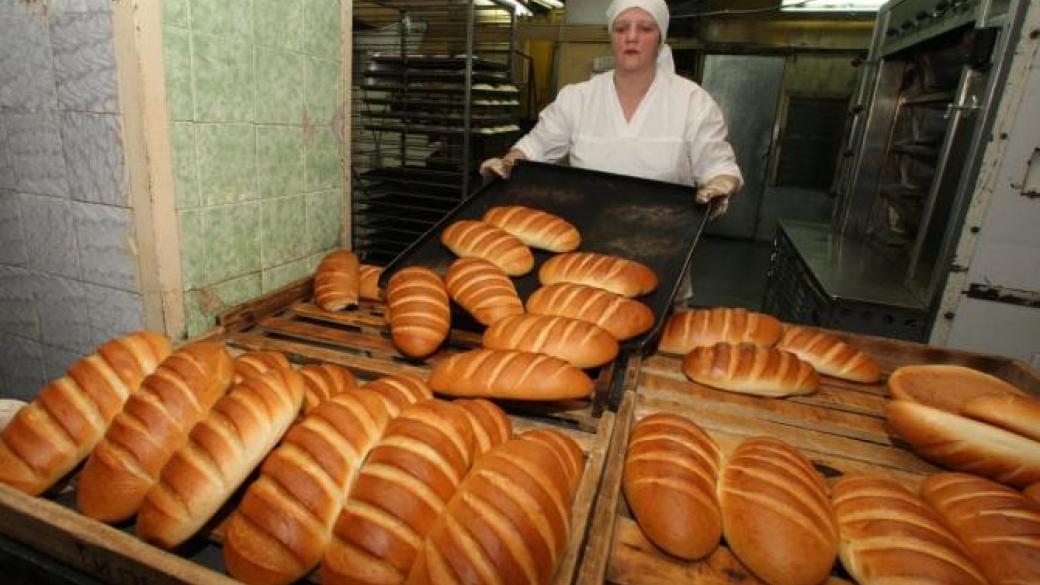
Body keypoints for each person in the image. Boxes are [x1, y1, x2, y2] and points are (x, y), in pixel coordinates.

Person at [480, 0, 742, 219]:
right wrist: (507, 163)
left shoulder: (692, 102)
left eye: (645, 28)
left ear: (660, 38)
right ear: (611, 36)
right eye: (621, 28)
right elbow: (535, 147)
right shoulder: (578, 98)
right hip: (588, 236)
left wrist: (720, 185)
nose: (631, 37)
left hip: (664, 241)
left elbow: (718, 167)